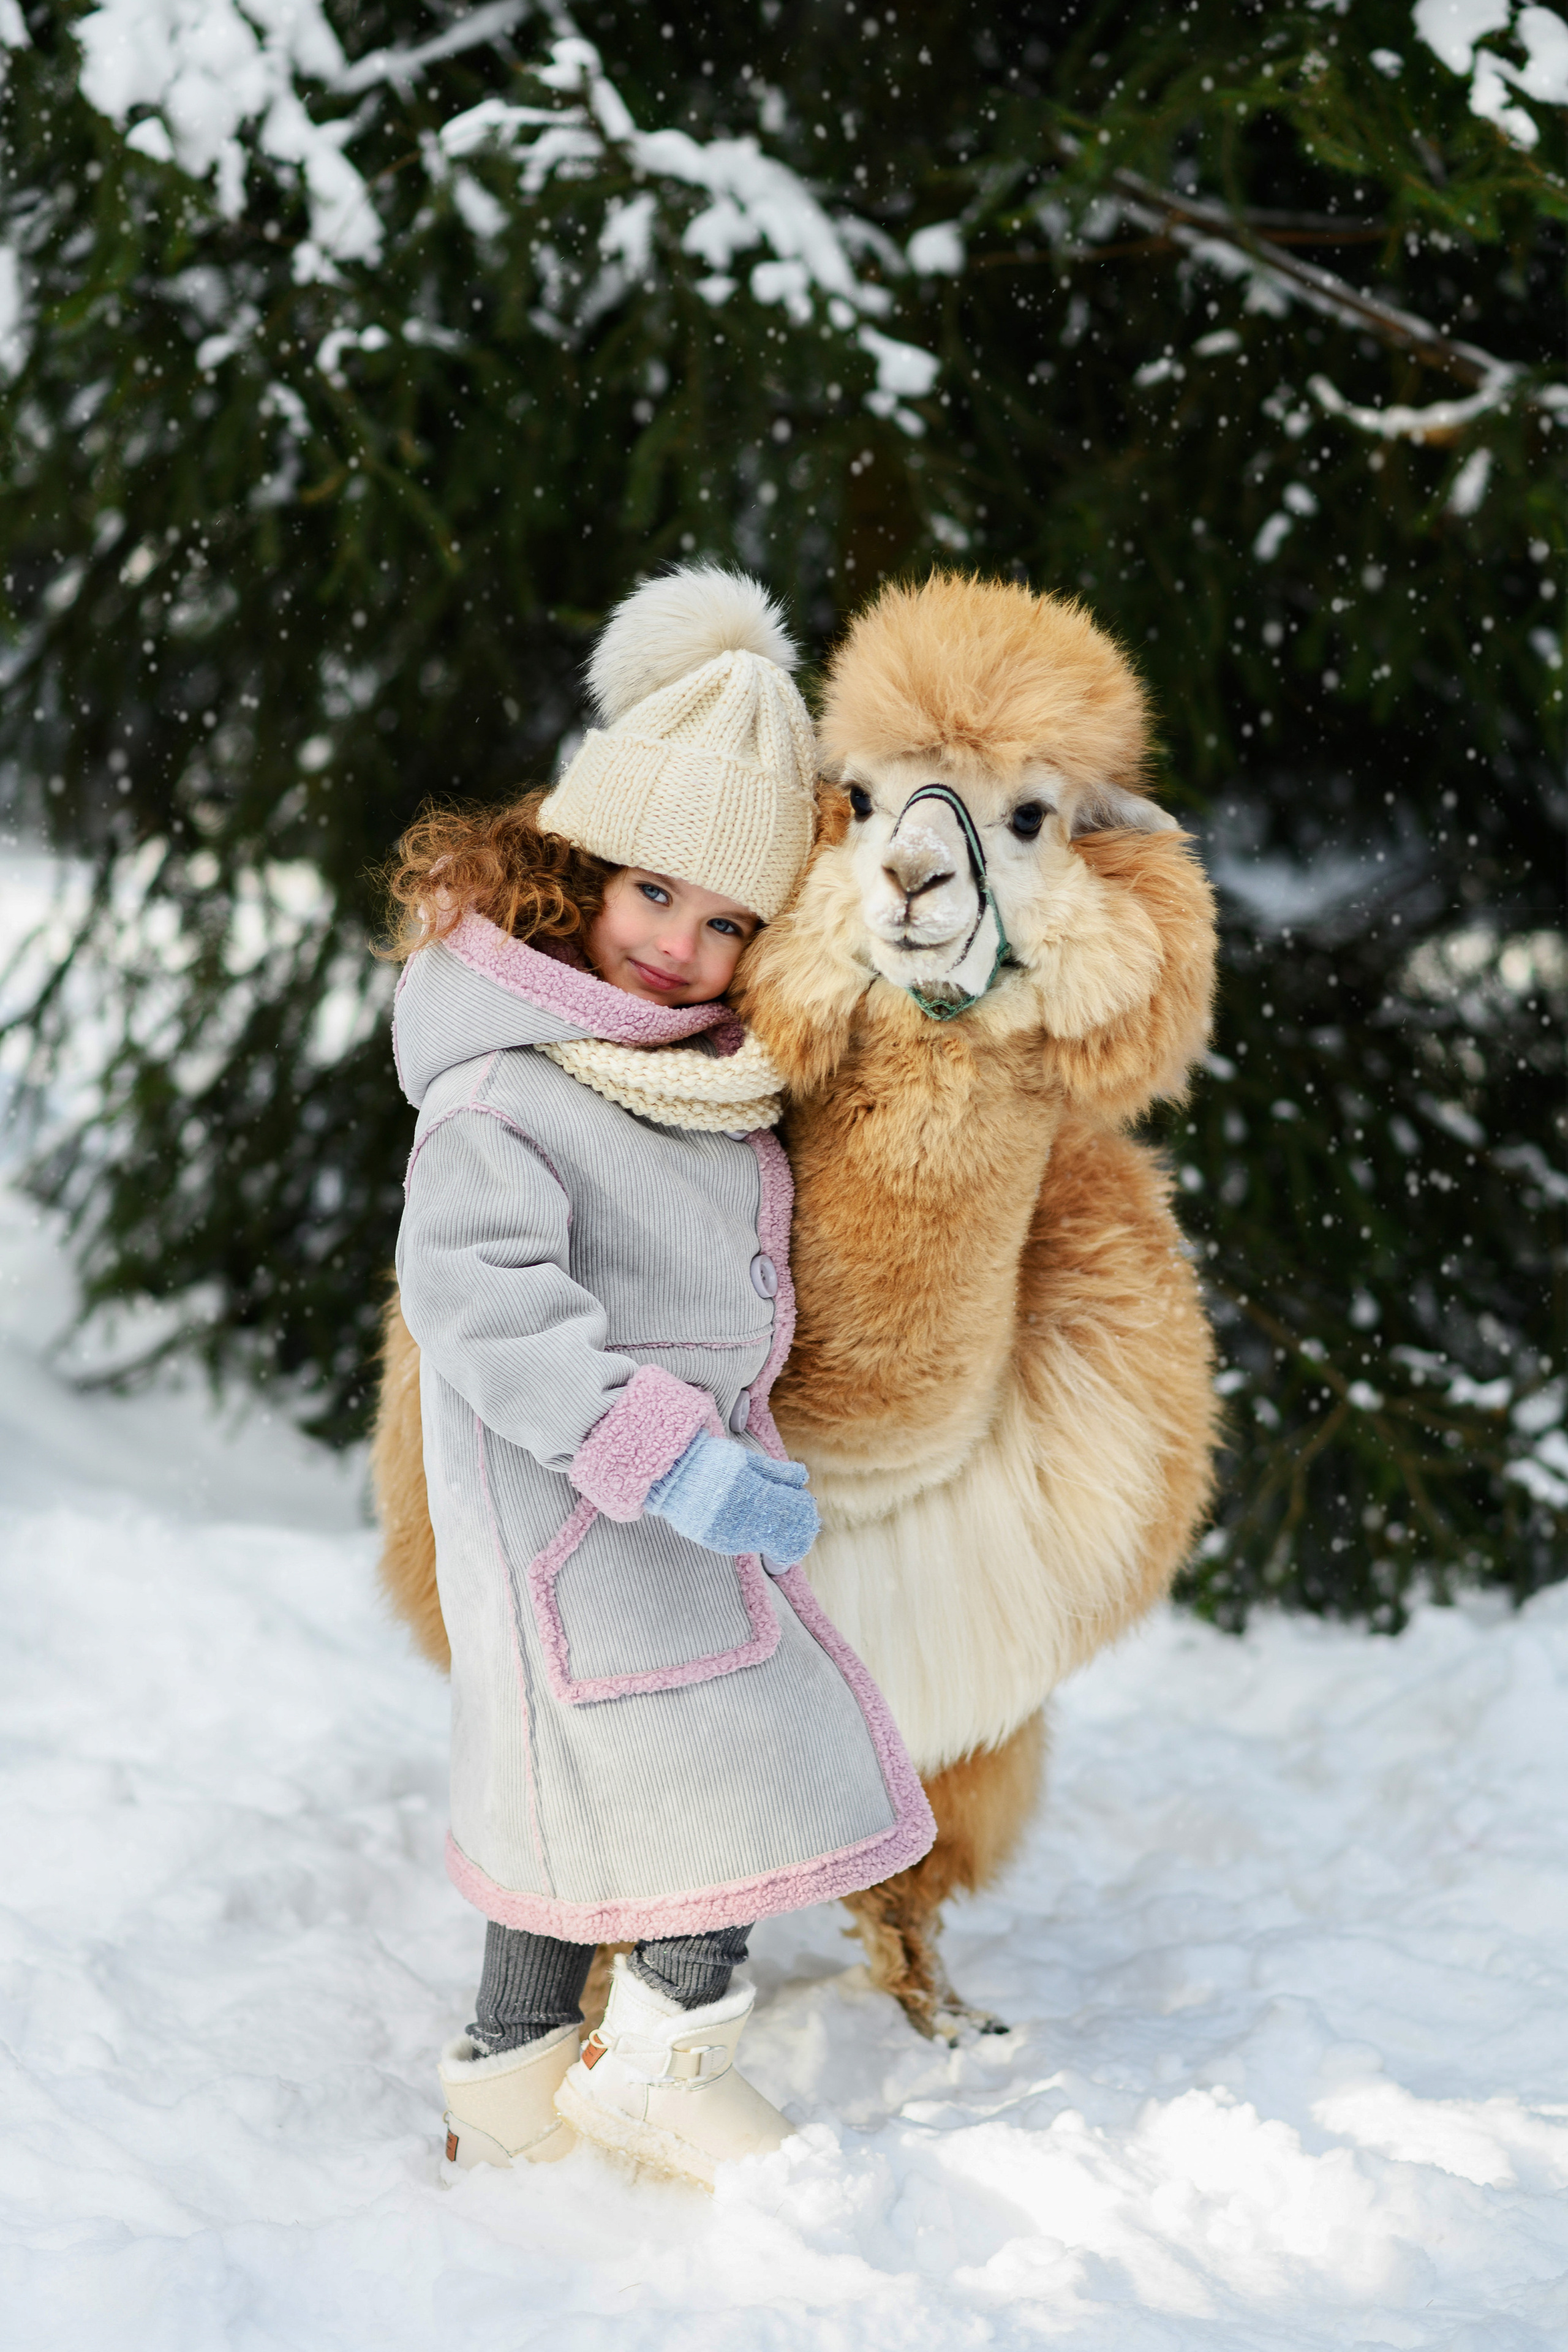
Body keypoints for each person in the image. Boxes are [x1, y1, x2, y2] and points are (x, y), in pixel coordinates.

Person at [386, 566, 935, 2190]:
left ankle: (509, 2073)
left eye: (728, 923)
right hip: (582, 1497)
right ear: (574, 873)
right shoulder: (505, 1091)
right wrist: (666, 1454)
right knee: (712, 1775)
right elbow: (484, 1312)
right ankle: (668, 2062)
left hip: (654, 1514)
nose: (681, 948)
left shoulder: (682, 1074)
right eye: (652, 896)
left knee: (584, 1805)